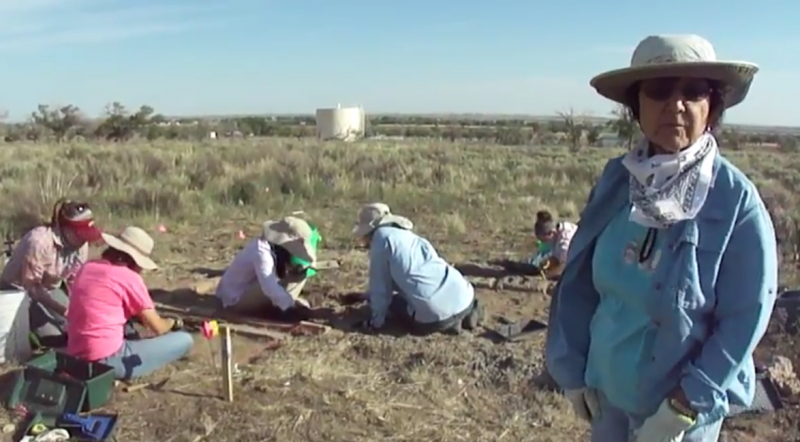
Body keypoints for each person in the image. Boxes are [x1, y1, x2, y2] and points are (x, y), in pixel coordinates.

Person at [545, 34, 777, 442]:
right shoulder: (618, 181)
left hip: (679, 419)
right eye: (659, 90)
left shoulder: (735, 201)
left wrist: (684, 407)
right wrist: (571, 370)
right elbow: (579, 282)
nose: (677, 103)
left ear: (712, 106)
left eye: (694, 91)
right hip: (608, 396)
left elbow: (745, 318)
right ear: (636, 106)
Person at [66, 226, 193, 380]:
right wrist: (172, 322)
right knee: (185, 340)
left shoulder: (88, 267)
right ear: (136, 261)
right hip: (108, 360)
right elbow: (157, 327)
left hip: (75, 353)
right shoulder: (129, 278)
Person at [352, 203, 483, 334]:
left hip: (435, 313)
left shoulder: (380, 240)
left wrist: (375, 322)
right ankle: (465, 313)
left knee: (396, 304)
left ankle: (448, 323)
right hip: (465, 294)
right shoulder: (407, 235)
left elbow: (381, 288)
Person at [0, 199, 103, 347]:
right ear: (65, 229)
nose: (83, 240)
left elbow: (74, 280)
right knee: (54, 338)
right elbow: (33, 289)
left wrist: (79, 308)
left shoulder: (81, 244)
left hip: (49, 287)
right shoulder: (39, 242)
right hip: (19, 292)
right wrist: (64, 311)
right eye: (79, 234)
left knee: (74, 326)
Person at [215, 216, 320, 321]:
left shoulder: (273, 249)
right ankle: (285, 307)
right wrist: (290, 307)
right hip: (233, 300)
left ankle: (284, 303)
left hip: (245, 291)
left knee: (299, 273)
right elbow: (269, 286)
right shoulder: (261, 251)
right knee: (276, 285)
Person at [528, 210, 577, 279]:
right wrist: (548, 263)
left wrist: (546, 276)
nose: (543, 243)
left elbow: (565, 266)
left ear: (552, 233)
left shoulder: (565, 241)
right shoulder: (557, 233)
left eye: (544, 240)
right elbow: (557, 258)